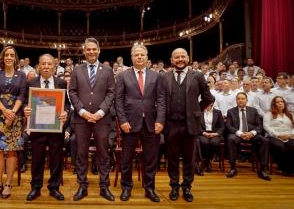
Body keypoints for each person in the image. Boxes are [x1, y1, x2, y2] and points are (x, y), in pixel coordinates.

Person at [160, 48, 213, 202]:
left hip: (190, 125)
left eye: (183, 56)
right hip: (170, 125)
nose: (180, 59)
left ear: (188, 58)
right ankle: (174, 187)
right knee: (172, 158)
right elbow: (160, 99)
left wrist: (196, 110)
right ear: (172, 60)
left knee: (190, 159)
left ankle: (187, 187)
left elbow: (208, 98)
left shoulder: (197, 75)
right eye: (177, 57)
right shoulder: (164, 77)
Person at [115, 45, 165, 202]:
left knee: (151, 159)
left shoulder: (156, 76)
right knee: (126, 158)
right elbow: (118, 100)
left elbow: (161, 100)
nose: (140, 57)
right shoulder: (123, 76)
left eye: (142, 54)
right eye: (136, 55)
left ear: (147, 57)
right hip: (129, 123)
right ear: (131, 57)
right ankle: (126, 188)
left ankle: (150, 188)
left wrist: (160, 120)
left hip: (151, 123)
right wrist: (122, 120)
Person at [68, 38, 116, 201]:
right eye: (88, 49)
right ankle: (82, 187)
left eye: (94, 49)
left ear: (99, 50)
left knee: (103, 154)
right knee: (81, 154)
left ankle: (104, 187)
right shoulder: (77, 69)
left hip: (102, 119)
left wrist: (101, 112)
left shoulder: (108, 70)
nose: (91, 52)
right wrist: (81, 111)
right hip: (81, 119)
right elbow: (72, 92)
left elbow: (111, 93)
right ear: (84, 51)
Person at [23, 54, 69, 201]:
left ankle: (54, 187)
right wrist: (26, 109)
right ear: (38, 66)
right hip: (37, 128)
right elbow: (25, 101)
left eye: (49, 64)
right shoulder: (31, 82)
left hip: (56, 128)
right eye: (43, 64)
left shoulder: (61, 83)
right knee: (37, 159)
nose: (46, 67)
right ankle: (35, 187)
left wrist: (66, 112)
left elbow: (67, 103)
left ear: (55, 67)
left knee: (56, 159)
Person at [0, 46, 27, 199]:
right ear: (2, 57)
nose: (9, 57)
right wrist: (4, 110)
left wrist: (12, 113)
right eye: (6, 55)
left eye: (12, 55)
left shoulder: (21, 75)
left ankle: (9, 183)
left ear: (15, 58)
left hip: (15, 117)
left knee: (11, 150)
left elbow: (22, 95)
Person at [225, 92, 271, 181]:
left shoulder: (253, 111)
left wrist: (252, 133)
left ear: (247, 100)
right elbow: (229, 126)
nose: (240, 100)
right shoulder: (231, 111)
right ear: (236, 101)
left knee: (265, 140)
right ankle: (233, 167)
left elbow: (259, 126)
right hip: (238, 134)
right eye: (238, 99)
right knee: (230, 139)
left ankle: (262, 169)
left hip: (251, 134)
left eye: (243, 99)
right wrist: (240, 133)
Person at [263, 96, 294, 176]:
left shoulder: (290, 114)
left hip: (289, 136)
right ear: (274, 104)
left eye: (282, 102)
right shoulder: (269, 114)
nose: (280, 103)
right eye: (278, 102)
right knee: (280, 146)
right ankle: (283, 168)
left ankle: (289, 169)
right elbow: (266, 127)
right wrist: (278, 135)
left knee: (292, 146)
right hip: (274, 136)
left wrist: (290, 135)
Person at [198, 101, 224, 172]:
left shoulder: (218, 112)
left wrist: (216, 133)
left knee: (214, 143)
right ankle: (207, 162)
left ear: (212, 103)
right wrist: (204, 133)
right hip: (203, 133)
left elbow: (222, 126)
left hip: (215, 133)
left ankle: (207, 161)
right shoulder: (199, 111)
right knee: (204, 142)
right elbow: (197, 126)